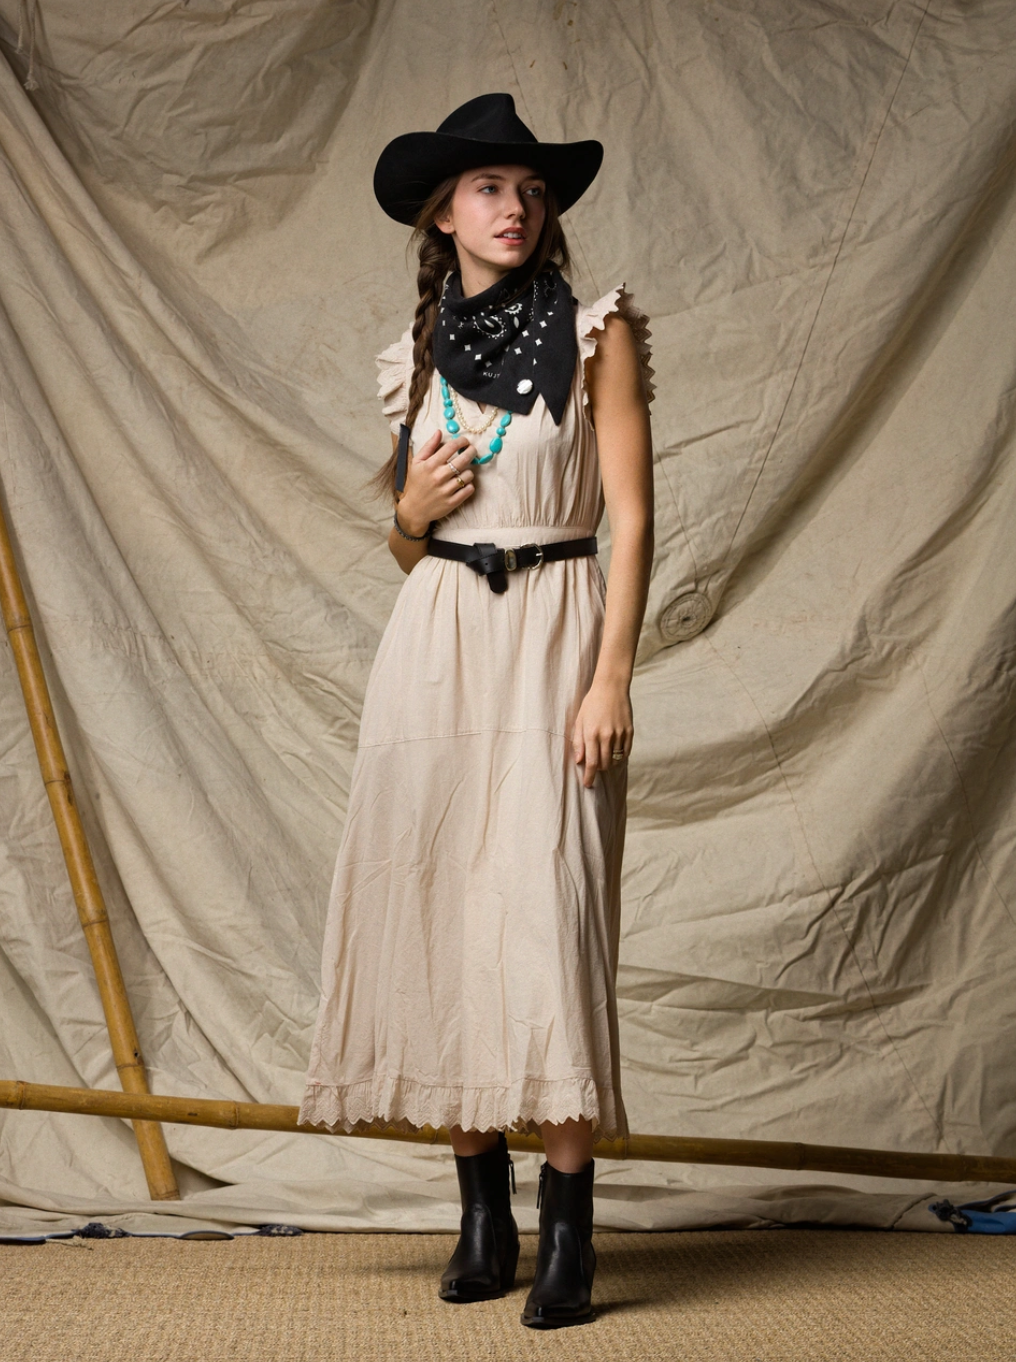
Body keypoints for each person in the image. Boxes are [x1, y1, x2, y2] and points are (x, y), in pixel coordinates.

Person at [300, 93, 654, 1329]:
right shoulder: (416, 358)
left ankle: (568, 1232)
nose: (514, 207)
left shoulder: (600, 334)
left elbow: (631, 520)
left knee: (545, 916)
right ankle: (480, 1216)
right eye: (488, 188)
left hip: (555, 635)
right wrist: (408, 513)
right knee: (443, 906)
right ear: (441, 211)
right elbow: (408, 550)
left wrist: (610, 678)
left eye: (529, 189)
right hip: (435, 648)